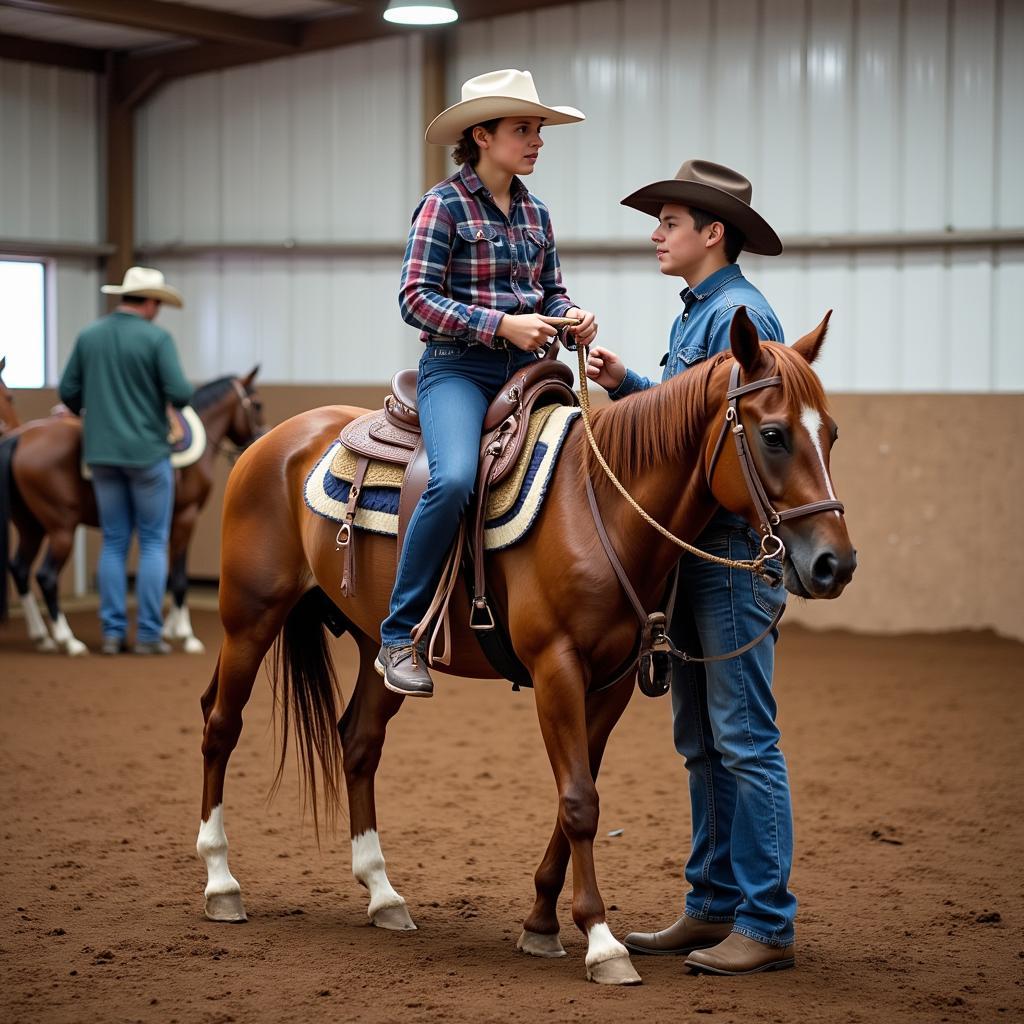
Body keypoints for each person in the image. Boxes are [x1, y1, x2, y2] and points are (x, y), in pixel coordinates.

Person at [586, 160, 796, 975]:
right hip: (697, 551)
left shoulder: (743, 316)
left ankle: (767, 921)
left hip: (733, 554)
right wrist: (631, 384)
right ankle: (712, 907)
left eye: (669, 222)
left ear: (713, 233)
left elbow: (755, 436)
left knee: (744, 739)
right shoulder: (705, 315)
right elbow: (690, 425)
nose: (656, 234)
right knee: (703, 739)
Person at [377, 69, 598, 698]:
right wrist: (500, 324)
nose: (537, 141)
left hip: (531, 369)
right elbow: (415, 299)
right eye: (524, 130)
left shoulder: (536, 213)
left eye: (538, 130)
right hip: (457, 369)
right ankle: (400, 634)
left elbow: (550, 291)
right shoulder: (442, 205)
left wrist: (570, 315)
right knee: (451, 479)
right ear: (482, 135)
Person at [59, 266, 192, 656]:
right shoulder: (156, 338)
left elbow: (68, 390)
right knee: (152, 541)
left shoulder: (89, 335)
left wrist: (95, 412)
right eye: (159, 304)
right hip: (148, 454)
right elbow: (180, 392)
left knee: (114, 541)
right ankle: (149, 634)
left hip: (100, 455)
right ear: (149, 302)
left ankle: (113, 633)